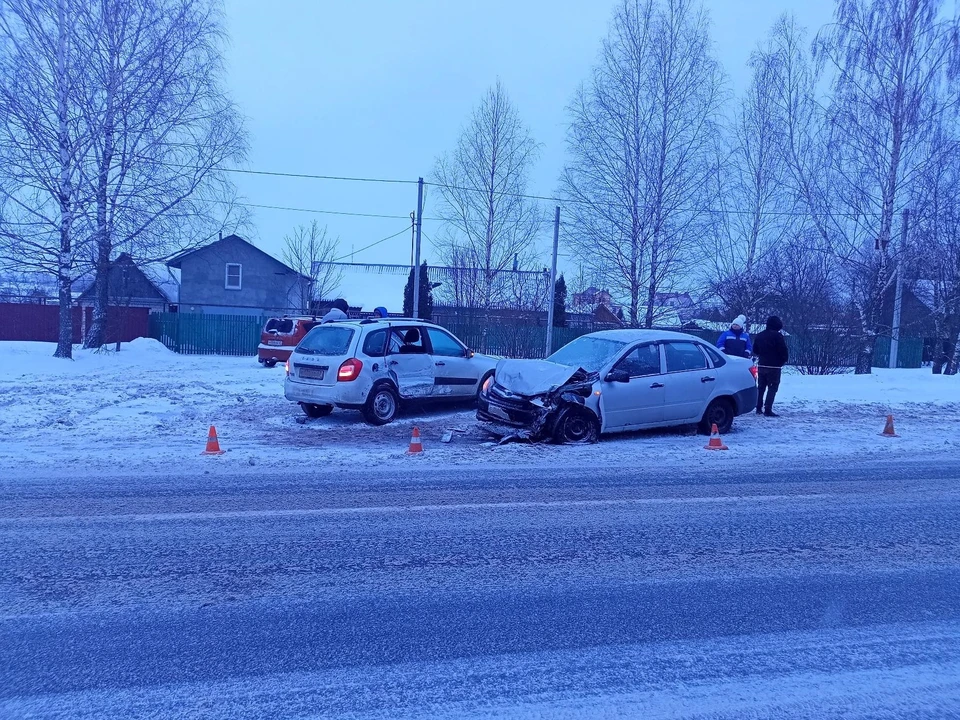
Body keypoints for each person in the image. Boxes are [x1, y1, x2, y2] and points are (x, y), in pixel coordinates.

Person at [752, 315, 789, 417]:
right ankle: (768, 409)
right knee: (772, 387)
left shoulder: (759, 335)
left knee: (761, 387)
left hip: (762, 365)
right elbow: (783, 350)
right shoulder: (778, 336)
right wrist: (783, 360)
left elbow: (755, 350)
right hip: (774, 367)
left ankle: (758, 407)